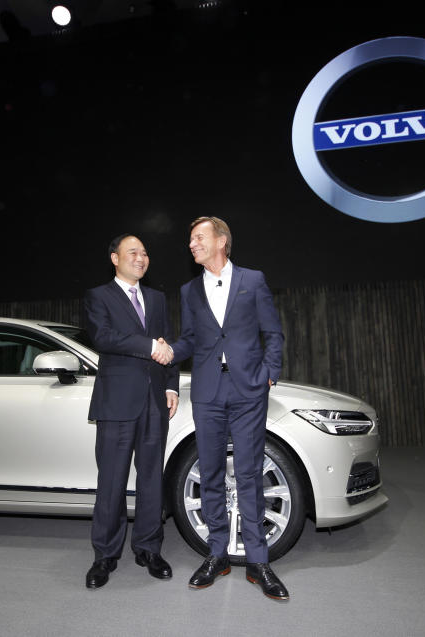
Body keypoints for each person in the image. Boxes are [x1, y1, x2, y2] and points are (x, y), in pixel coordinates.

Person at [154, 216, 289, 601]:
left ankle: (259, 561)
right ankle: (217, 553)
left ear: (221, 241)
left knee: (248, 472)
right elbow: (192, 340)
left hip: (248, 391)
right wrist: (167, 351)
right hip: (209, 391)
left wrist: (270, 373)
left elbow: (273, 332)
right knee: (210, 471)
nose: (191, 244)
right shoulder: (189, 290)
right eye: (190, 239)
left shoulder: (252, 280)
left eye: (198, 237)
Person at [83, 233, 179, 589]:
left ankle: (149, 548)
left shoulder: (155, 298)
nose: (141, 258)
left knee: (152, 478)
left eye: (144, 253)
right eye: (132, 252)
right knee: (111, 482)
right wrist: (149, 345)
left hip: (155, 401)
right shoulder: (99, 296)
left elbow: (166, 342)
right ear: (114, 258)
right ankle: (105, 555)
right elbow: (103, 337)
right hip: (117, 402)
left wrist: (171, 384)